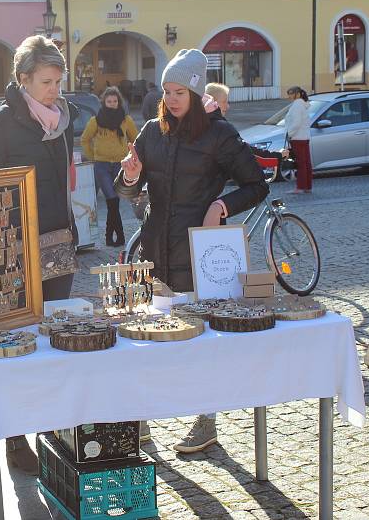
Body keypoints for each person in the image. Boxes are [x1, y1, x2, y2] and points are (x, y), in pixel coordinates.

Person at [116, 49, 268, 454]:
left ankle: (206, 419)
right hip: (153, 251)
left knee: (201, 343)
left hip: (198, 254)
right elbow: (126, 188)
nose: (172, 99)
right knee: (147, 338)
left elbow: (257, 185)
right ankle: (142, 420)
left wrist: (222, 206)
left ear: (197, 90)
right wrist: (130, 176)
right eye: (166, 91)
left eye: (179, 91)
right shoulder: (152, 130)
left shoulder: (220, 136)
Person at [0, 35, 78, 475]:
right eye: (47, 82)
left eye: (58, 81)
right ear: (23, 80)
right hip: (12, 250)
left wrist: (70, 228)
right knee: (17, 342)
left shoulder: (59, 120)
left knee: (52, 338)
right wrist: (2, 242)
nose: (55, 90)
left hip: (57, 242)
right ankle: (15, 437)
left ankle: (48, 428)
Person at [80, 86, 138, 247]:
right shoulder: (96, 121)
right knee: (112, 200)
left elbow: (136, 140)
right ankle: (116, 236)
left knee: (114, 202)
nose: (112, 103)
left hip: (120, 166)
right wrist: (93, 156)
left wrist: (132, 156)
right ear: (104, 102)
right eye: (109, 101)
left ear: (119, 102)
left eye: (115, 101)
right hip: (102, 166)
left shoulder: (126, 120)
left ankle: (112, 238)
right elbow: (85, 139)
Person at [206, 83, 289, 161]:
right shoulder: (222, 129)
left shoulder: (196, 124)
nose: (228, 106)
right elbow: (246, 151)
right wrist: (277, 155)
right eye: (224, 101)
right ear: (212, 102)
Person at [284, 86, 312, 194]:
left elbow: (296, 123)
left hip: (297, 138)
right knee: (306, 163)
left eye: (291, 94)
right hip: (304, 137)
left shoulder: (297, 105)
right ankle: (307, 187)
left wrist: (290, 134)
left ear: (297, 94)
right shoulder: (303, 105)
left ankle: (300, 187)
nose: (289, 96)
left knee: (300, 164)